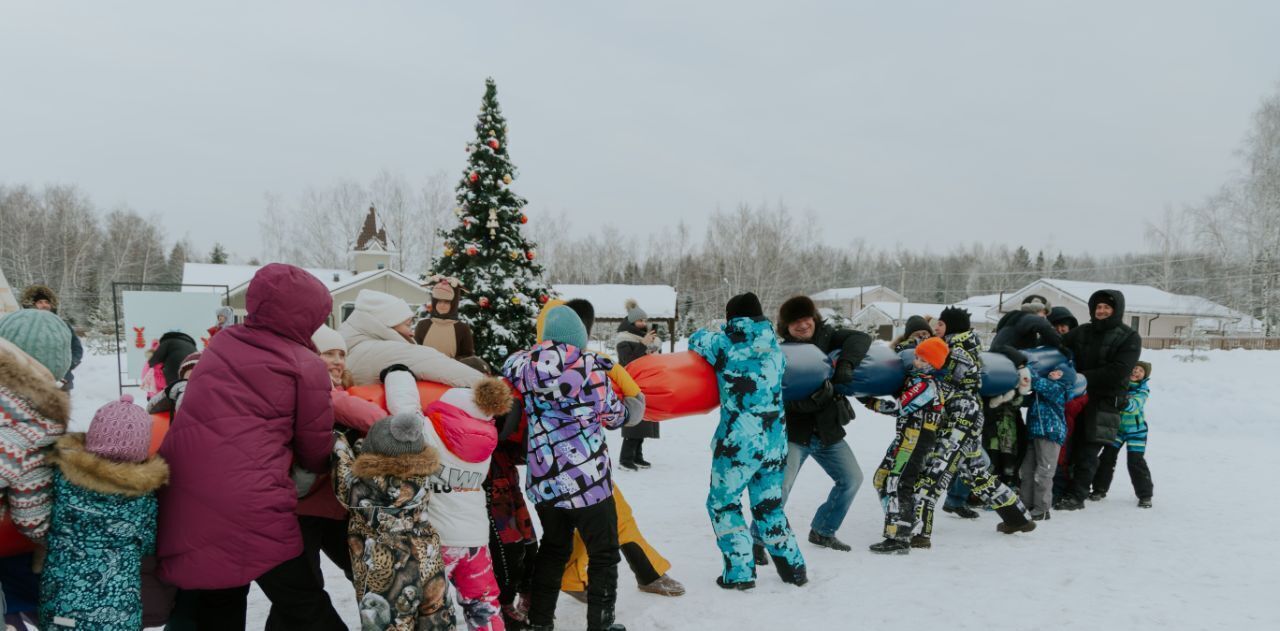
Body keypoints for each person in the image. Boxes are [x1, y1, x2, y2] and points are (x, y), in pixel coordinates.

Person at [155, 263, 346, 630]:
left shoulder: (223, 343)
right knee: (302, 599)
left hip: (183, 490)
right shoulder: (304, 363)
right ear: (306, 315)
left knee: (219, 599)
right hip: (249, 500)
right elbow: (314, 445)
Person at [502, 305, 632, 631]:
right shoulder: (592, 371)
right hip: (589, 484)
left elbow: (509, 363)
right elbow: (615, 417)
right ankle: (600, 625)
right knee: (604, 553)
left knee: (553, 548)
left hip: (546, 482)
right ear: (580, 339)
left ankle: (540, 621)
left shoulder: (522, 367)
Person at [552, 298, 685, 601]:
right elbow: (616, 412)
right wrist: (629, 405)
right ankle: (579, 577)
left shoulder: (535, 365)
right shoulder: (589, 366)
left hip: (565, 465)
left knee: (615, 516)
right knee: (611, 517)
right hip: (579, 465)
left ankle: (646, 571)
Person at [690, 292, 806, 590]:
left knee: (722, 503)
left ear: (732, 319)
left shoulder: (725, 345)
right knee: (769, 506)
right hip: (775, 441)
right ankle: (793, 568)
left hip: (739, 444)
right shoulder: (775, 349)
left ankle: (740, 571)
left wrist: (715, 332)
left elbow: (696, 339)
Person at [384, 364, 513, 631]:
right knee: (484, 603)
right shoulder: (485, 444)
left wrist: (397, 373)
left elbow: (404, 408)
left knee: (429, 609)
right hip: (476, 541)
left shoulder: (426, 433)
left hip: (436, 542)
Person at [38, 395, 169, 631]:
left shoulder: (62, 478)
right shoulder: (141, 496)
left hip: (62, 600)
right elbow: (148, 544)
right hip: (118, 608)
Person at [913, 307, 1036, 547]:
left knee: (935, 470)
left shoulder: (957, 352)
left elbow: (947, 380)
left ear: (951, 326)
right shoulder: (961, 347)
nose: (936, 328)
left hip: (960, 417)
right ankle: (1018, 517)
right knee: (977, 474)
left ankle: (918, 532)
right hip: (966, 416)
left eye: (940, 324)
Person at [763, 295, 871, 554]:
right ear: (785, 327)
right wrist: (808, 403)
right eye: (795, 322)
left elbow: (861, 338)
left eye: (806, 318)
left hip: (827, 432)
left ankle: (823, 530)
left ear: (814, 318)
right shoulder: (780, 353)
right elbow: (771, 399)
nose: (802, 325)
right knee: (779, 489)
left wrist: (846, 363)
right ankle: (759, 539)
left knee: (852, 479)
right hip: (793, 434)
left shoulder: (828, 337)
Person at [333, 413, 454, 630]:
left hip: (387, 572)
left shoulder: (361, 486)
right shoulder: (422, 474)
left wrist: (338, 437)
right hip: (427, 559)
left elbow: (342, 470)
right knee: (436, 620)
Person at [294, 325, 387, 588]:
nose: (337, 361)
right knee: (304, 588)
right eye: (328, 354)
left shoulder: (346, 391)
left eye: (341, 354)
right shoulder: (317, 393)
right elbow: (375, 419)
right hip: (304, 507)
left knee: (366, 576)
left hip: (337, 507)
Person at [1057, 290, 1142, 511]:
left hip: (1106, 401)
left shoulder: (1129, 337)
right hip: (1077, 398)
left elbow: (1120, 370)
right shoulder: (1082, 332)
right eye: (1098, 307)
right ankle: (1064, 490)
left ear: (1116, 310)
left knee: (1089, 451)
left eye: (1107, 307)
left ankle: (1077, 496)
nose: (1102, 311)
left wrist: (1083, 377)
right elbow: (1059, 347)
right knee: (1070, 446)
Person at [863, 336, 948, 554]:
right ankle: (905, 522)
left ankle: (899, 536)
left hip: (916, 439)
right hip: (905, 437)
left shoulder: (926, 385)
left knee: (898, 482)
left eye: (922, 359)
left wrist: (869, 401)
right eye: (916, 357)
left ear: (933, 365)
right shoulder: (915, 379)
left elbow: (900, 408)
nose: (916, 362)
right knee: (881, 479)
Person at [341, 289, 485, 387]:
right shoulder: (380, 351)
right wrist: (487, 385)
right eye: (407, 325)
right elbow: (428, 359)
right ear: (386, 323)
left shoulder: (349, 343)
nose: (411, 333)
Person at [1090, 361, 1154, 508]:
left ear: (1144, 376)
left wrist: (1124, 403)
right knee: (1107, 458)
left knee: (1135, 461)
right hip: (1118, 429)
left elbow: (1136, 404)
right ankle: (1099, 489)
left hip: (1136, 431)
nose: (1136, 372)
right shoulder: (1121, 385)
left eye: (1140, 371)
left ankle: (1145, 495)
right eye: (1134, 368)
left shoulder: (1143, 390)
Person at [1021, 363, 1075, 521]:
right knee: (1027, 470)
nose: (1054, 373)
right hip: (1034, 433)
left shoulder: (1061, 390)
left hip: (1050, 433)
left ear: (1065, 378)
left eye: (1059, 372)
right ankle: (1025, 504)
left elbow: (1038, 382)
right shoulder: (1041, 388)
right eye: (1053, 370)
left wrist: (1026, 366)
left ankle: (1042, 509)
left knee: (1044, 472)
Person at [615, 299, 662, 471]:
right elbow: (628, 362)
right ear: (632, 321)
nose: (643, 323)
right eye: (640, 320)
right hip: (630, 385)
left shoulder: (647, 337)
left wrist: (653, 346)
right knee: (634, 421)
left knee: (645, 420)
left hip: (647, 384)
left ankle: (637, 456)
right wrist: (643, 345)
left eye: (644, 320)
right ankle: (625, 459)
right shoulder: (624, 339)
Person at [19, 284, 81, 391]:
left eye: (47, 302)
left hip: (61, 381)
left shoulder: (62, 324)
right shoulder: (22, 325)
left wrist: (67, 365)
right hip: (31, 381)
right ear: (32, 305)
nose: (45, 305)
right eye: (40, 302)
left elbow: (76, 347)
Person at [414, 275, 478, 363]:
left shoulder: (462, 329)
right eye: (439, 301)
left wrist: (450, 363)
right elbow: (414, 351)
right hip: (424, 371)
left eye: (447, 302)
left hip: (451, 373)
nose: (442, 305)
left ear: (453, 304)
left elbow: (468, 357)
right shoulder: (423, 325)